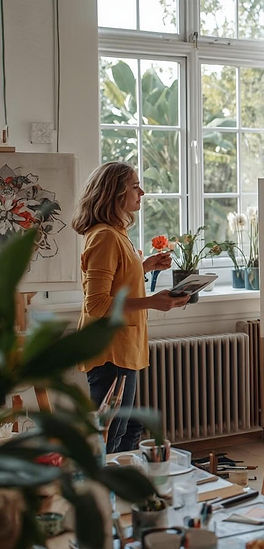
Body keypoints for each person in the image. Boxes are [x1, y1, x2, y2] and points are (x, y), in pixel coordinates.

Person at [72, 162, 190, 453]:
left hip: (122, 349)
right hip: (109, 351)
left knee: (123, 431)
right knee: (107, 437)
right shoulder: (105, 237)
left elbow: (117, 282)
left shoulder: (116, 233)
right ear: (115, 193)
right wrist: (153, 301)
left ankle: (114, 493)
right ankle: (101, 494)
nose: (143, 192)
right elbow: (97, 304)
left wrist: (145, 265)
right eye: (135, 186)